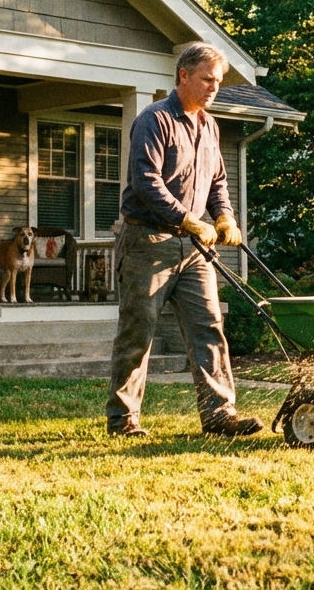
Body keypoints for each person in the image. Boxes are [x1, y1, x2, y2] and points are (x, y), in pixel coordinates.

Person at [105, 42, 264, 438]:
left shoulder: (209, 125)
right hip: (148, 242)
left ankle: (219, 415)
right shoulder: (154, 120)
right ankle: (123, 419)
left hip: (195, 250)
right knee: (138, 332)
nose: (214, 87)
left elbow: (218, 181)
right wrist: (189, 219)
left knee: (208, 327)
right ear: (183, 76)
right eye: (207, 79)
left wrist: (224, 216)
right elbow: (145, 182)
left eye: (218, 81)